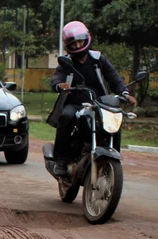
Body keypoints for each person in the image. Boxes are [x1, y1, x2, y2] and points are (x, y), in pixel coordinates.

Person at [49, 21, 136, 176]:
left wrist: (124, 93)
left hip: (99, 104)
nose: (77, 46)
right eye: (73, 43)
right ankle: (61, 160)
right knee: (66, 116)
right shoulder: (66, 62)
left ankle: (113, 155)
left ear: (86, 39)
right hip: (75, 103)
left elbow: (114, 78)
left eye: (80, 41)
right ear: (68, 45)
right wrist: (59, 85)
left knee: (115, 120)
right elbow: (56, 78)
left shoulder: (98, 59)